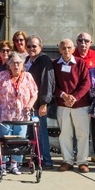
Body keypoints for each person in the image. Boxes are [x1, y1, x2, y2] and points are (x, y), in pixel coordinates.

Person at [0, 52, 38, 175]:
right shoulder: (2, 75)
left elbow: (34, 93)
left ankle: (15, 165)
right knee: (5, 139)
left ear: (22, 64)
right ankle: (3, 164)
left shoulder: (27, 76)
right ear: (8, 64)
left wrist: (30, 104)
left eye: (18, 63)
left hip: (22, 114)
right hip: (5, 114)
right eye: (13, 63)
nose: (16, 65)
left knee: (19, 140)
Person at [54, 38, 92, 172]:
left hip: (80, 105)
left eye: (69, 48)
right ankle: (67, 160)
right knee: (65, 134)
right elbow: (53, 85)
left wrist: (75, 97)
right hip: (63, 104)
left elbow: (86, 83)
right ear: (59, 49)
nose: (66, 50)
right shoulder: (55, 64)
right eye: (63, 48)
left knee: (82, 134)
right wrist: (63, 95)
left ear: (74, 49)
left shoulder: (81, 63)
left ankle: (82, 161)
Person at [24, 36, 55, 168]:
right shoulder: (27, 60)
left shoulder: (44, 60)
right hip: (29, 105)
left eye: (34, 46)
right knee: (33, 133)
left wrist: (44, 103)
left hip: (39, 104)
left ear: (40, 47)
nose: (31, 49)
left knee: (41, 132)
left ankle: (46, 160)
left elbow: (48, 82)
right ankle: (36, 158)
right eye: (29, 46)